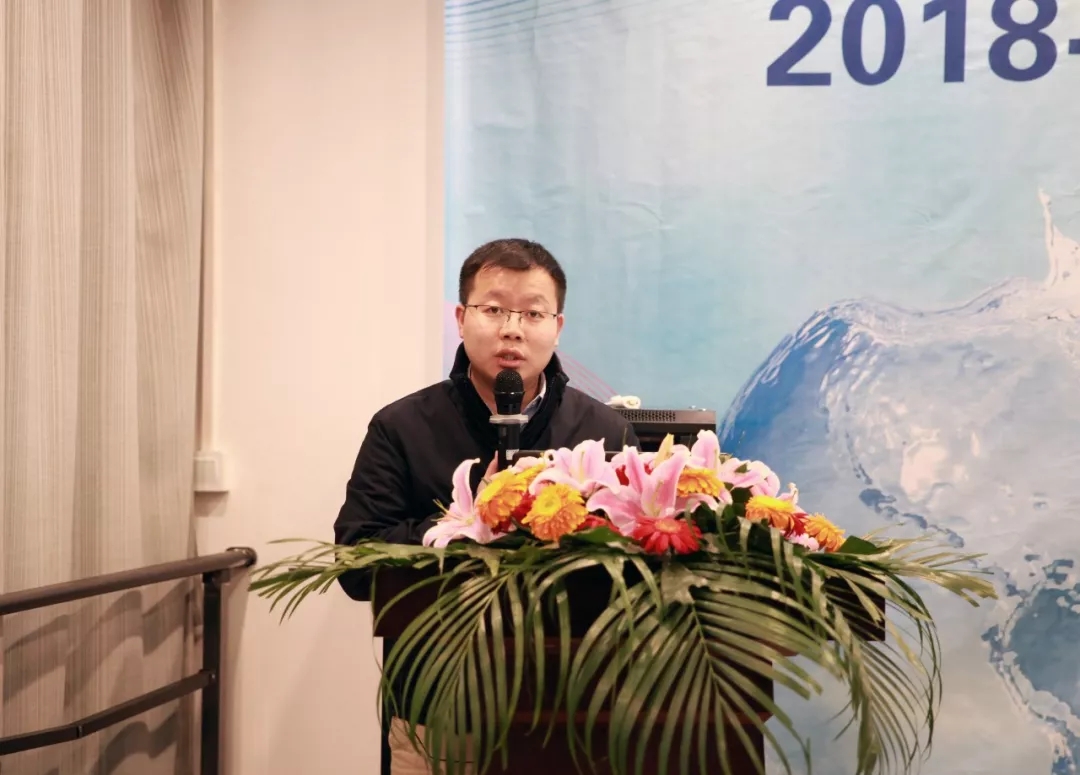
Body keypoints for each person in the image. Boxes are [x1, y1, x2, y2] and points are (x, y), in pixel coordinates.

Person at [332, 238, 638, 773]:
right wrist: (468, 520)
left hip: (572, 709)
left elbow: (636, 567)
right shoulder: (401, 427)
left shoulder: (604, 431)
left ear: (557, 327)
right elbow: (356, 562)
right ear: (461, 318)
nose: (512, 329)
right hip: (437, 710)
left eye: (533, 313)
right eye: (493, 309)